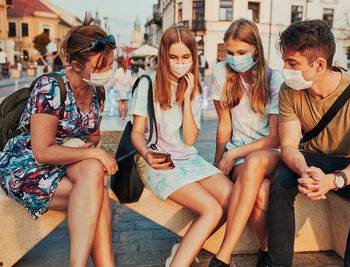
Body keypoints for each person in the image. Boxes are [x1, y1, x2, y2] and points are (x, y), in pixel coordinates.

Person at [259, 19, 350, 267]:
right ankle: (277, 263)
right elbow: (289, 147)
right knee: (281, 184)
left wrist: (333, 180)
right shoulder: (288, 90)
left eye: (292, 63)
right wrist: (304, 170)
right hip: (311, 157)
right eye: (285, 61)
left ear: (319, 65)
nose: (285, 68)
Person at [0, 13, 117, 266]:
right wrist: (93, 153)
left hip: (63, 163)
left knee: (93, 176)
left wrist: (87, 148)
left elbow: (92, 137)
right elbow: (42, 152)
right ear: (76, 66)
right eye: (100, 68)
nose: (107, 71)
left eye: (110, 64)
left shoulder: (97, 90)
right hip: (26, 165)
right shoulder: (50, 87)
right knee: (97, 192)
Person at [130, 25, 232, 267]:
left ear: (193, 57)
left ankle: (183, 248)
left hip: (188, 156)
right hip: (158, 159)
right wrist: (146, 153)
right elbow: (136, 134)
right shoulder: (147, 83)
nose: (180, 62)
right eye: (173, 57)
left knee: (232, 198)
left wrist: (186, 99)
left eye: (186, 57)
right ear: (164, 56)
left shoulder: (194, 87)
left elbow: (189, 140)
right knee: (211, 209)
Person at [208, 18, 282, 267]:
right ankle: (267, 252)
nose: (234, 57)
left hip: (269, 152)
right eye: (230, 52)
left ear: (256, 51)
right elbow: (224, 123)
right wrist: (218, 161)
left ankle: (223, 256)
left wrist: (234, 153)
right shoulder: (221, 72)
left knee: (254, 163)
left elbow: (275, 137)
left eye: (241, 52)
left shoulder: (274, 80)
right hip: (239, 154)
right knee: (261, 192)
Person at [114, 56, 132, 120]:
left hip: (119, 89)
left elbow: (115, 80)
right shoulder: (128, 71)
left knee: (120, 103)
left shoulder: (118, 71)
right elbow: (130, 80)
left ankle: (120, 117)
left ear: (118, 63)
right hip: (126, 89)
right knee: (125, 103)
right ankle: (125, 117)